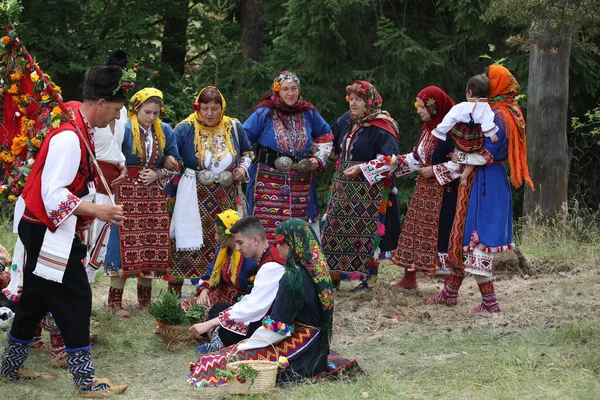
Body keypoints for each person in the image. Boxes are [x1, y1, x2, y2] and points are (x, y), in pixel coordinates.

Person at [1, 66, 128, 397]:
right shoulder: (71, 138)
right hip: (47, 229)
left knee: (35, 298)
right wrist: (98, 210)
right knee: (76, 296)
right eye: (114, 112)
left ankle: (9, 369)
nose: (114, 119)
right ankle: (86, 382)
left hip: (41, 225)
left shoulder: (79, 125)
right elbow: (53, 195)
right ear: (100, 103)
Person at [425, 64, 534, 312]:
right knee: (465, 237)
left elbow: (485, 154)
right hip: (488, 180)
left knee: (477, 241)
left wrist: (456, 159)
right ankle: (449, 293)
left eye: (490, 78)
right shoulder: (508, 111)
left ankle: (490, 302)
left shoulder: (499, 115)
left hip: (485, 181)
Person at [188, 218, 334, 386]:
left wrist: (248, 345)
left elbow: (278, 326)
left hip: (300, 346)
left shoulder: (292, 278)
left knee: (215, 363)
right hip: (316, 348)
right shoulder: (314, 271)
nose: (276, 247)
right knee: (226, 333)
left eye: (279, 242)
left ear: (292, 244)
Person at [167, 86, 254, 296]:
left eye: (214, 108)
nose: (209, 114)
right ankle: (173, 296)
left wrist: (242, 168)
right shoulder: (185, 129)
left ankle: (215, 291)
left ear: (221, 107)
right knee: (185, 244)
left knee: (224, 239)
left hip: (225, 198)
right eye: (204, 108)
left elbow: (248, 152)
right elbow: (170, 155)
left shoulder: (233, 127)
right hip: (193, 197)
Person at [104, 88, 181, 318]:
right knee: (123, 244)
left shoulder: (165, 130)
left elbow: (177, 163)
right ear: (136, 108)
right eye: (147, 112)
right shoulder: (124, 129)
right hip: (126, 193)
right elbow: (112, 156)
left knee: (149, 245)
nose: (152, 117)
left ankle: (144, 301)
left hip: (153, 196)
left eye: (156, 113)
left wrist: (160, 171)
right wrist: (124, 170)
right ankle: (114, 303)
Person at [321, 80, 401, 292]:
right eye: (351, 99)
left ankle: (368, 279)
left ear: (370, 101)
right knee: (334, 228)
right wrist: (320, 155)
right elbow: (331, 143)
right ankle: (334, 275)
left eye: (359, 100)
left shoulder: (383, 126)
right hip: (342, 186)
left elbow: (391, 160)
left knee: (366, 234)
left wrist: (363, 169)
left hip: (370, 190)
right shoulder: (346, 121)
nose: (353, 104)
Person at [243, 71, 333, 244]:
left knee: (298, 227)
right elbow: (244, 137)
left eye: (294, 89)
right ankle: (264, 264)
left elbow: (326, 136)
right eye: (285, 89)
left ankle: (297, 265)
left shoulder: (308, 112)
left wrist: (319, 158)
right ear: (277, 91)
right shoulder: (265, 112)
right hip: (268, 180)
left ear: (299, 90)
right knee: (265, 225)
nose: (290, 93)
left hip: (301, 181)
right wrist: (245, 162)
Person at [386, 86, 458, 288]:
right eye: (417, 105)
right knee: (414, 231)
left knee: (442, 234)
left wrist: (434, 170)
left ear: (435, 107)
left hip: (445, 192)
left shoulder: (452, 130)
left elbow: (461, 162)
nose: (418, 110)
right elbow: (418, 157)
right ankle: (409, 279)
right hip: (424, 190)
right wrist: (391, 165)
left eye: (422, 106)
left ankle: (449, 287)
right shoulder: (427, 129)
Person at [187, 216, 285, 354]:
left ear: (255, 240)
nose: (237, 248)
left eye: (240, 242)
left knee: (224, 323)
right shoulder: (265, 258)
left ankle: (219, 340)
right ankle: (219, 337)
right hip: (259, 313)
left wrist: (213, 323)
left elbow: (254, 307)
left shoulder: (271, 266)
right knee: (218, 309)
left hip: (272, 324)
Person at [85, 50, 128, 281]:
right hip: (91, 181)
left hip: (112, 183)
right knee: (87, 237)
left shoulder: (123, 112)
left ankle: (86, 290)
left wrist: (123, 166)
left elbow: (119, 147)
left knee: (101, 243)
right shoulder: (94, 111)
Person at [431, 74, 498, 186]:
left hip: (461, 133)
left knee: (458, 147)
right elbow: (488, 121)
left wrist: (440, 131)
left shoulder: (461, 106)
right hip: (475, 135)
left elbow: (450, 118)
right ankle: (465, 174)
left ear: (469, 92)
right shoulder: (486, 107)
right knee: (474, 153)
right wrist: (491, 134)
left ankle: (459, 166)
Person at [192, 210, 258, 308]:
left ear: (231, 234)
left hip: (240, 301)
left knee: (212, 313)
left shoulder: (247, 253)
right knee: (185, 305)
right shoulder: (222, 251)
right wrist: (205, 291)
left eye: (219, 233)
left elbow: (251, 287)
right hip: (220, 294)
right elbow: (210, 274)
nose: (215, 237)